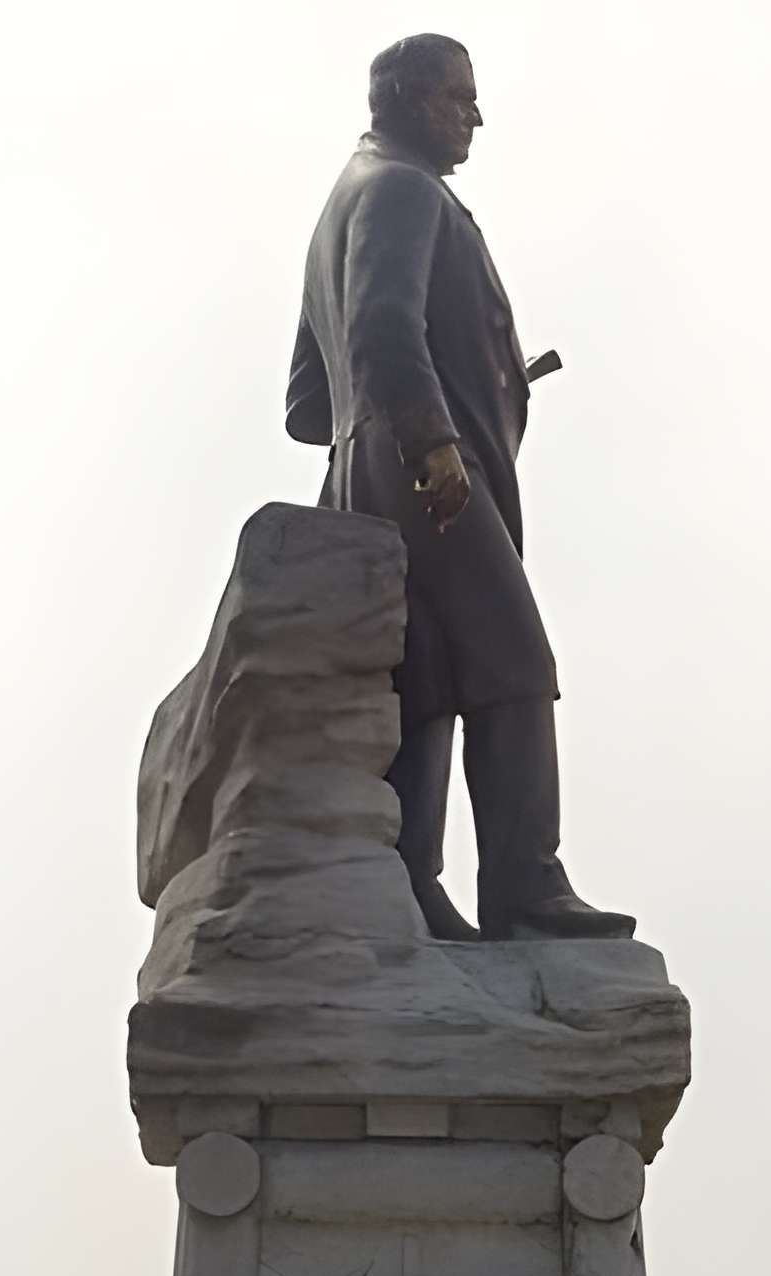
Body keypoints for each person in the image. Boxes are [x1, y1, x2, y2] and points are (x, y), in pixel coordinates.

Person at [285, 33, 635, 945]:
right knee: (515, 660)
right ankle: (526, 883)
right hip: (422, 471)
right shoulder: (403, 189)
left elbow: (306, 403)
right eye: (458, 96)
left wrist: (479, 376)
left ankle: (412, 888)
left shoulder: (344, 200)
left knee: (428, 680)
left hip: (366, 470)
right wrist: (437, 439)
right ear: (405, 99)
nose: (475, 114)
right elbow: (381, 329)